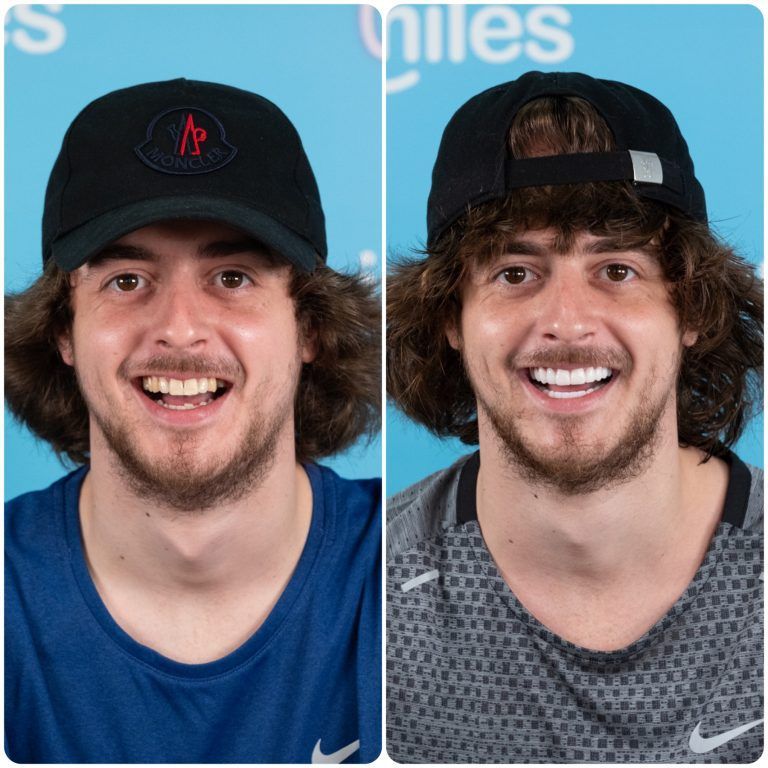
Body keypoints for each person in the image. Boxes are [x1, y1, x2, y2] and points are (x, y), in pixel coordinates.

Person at [386, 71, 763, 763]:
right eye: (514, 273)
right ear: (450, 318)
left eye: (616, 270)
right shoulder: (364, 598)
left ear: (692, 310)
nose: (565, 322)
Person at [5, 78, 381, 763]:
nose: (179, 330)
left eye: (232, 277)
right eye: (127, 281)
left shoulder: (423, 572)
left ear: (310, 326)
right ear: (64, 329)